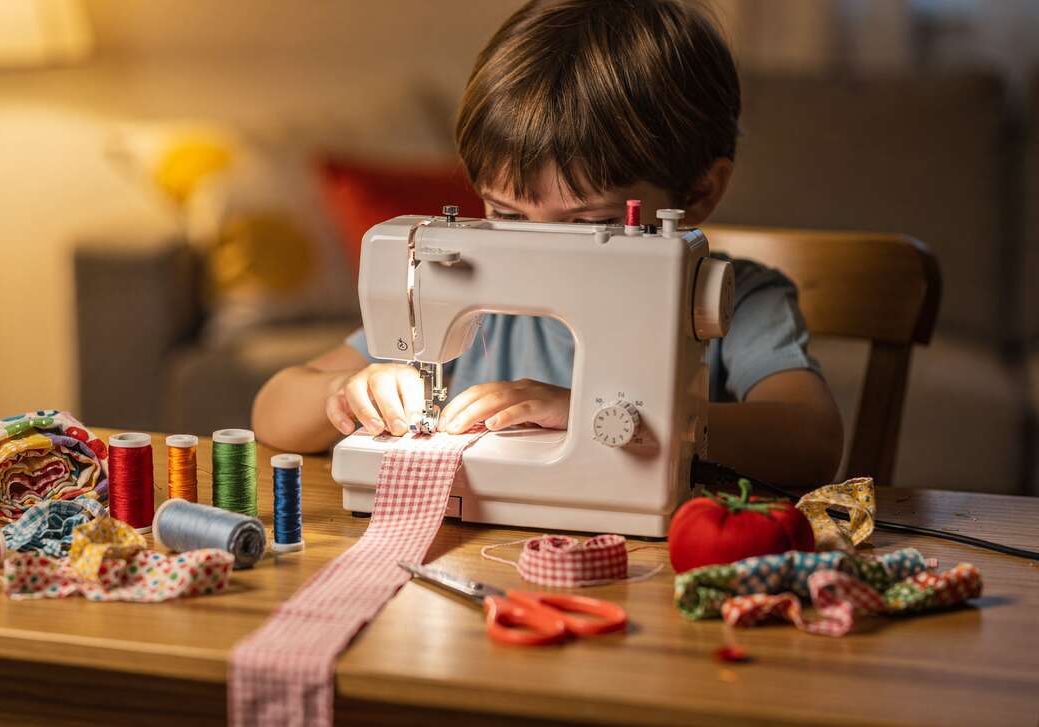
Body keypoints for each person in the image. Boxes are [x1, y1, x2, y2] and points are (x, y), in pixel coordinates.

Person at [252, 0, 843, 486]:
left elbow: (812, 442)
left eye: (588, 224)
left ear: (698, 193)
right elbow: (272, 413)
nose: (533, 249)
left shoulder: (742, 305)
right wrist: (345, 392)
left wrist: (601, 417)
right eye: (506, 212)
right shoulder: (470, 288)